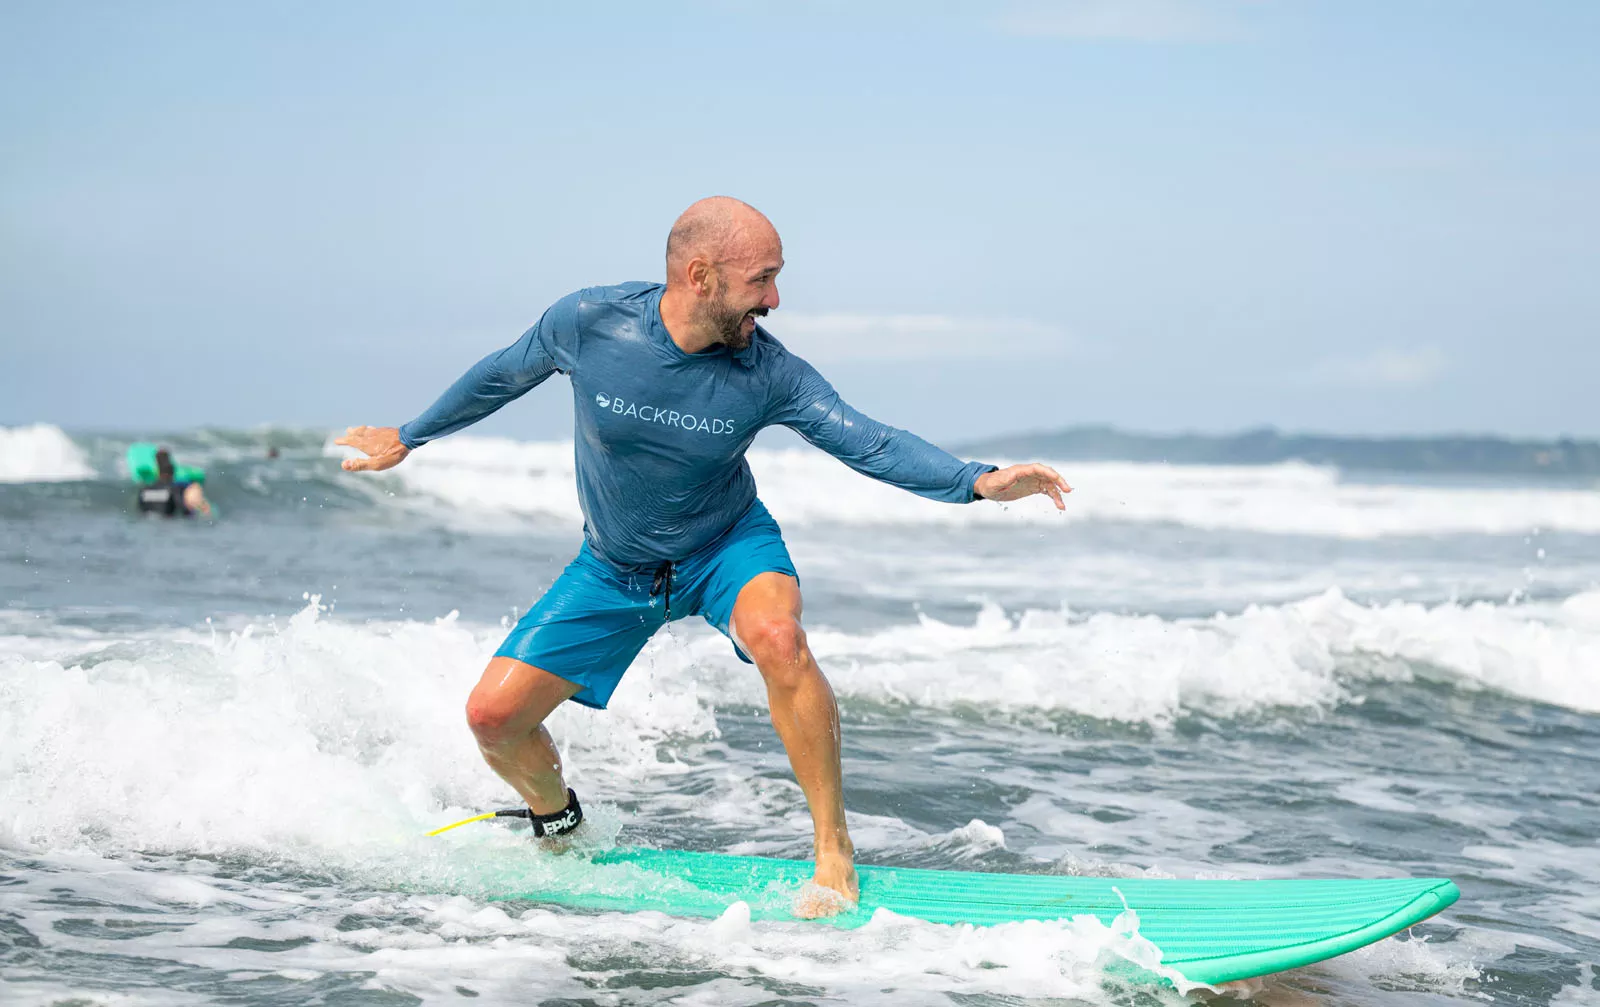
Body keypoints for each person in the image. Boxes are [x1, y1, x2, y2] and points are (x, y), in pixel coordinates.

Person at [337, 197, 1070, 914]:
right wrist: (410, 434)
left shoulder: (768, 372)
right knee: (493, 717)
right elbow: (501, 373)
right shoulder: (589, 323)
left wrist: (976, 481)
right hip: (615, 566)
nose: (776, 298)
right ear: (700, 275)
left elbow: (866, 439)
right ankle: (557, 821)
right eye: (762, 280)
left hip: (727, 546)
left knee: (781, 639)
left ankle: (832, 847)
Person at [137, 448, 212, 518]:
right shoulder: (175, 489)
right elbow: (184, 510)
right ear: (172, 472)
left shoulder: (145, 490)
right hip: (169, 525)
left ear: (158, 472)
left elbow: (141, 509)